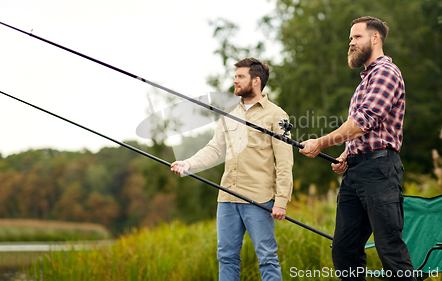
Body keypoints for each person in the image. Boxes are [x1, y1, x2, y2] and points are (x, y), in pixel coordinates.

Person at [299, 16, 415, 280]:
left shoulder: (385, 72)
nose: (351, 43)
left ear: (375, 38)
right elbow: (362, 132)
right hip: (356, 174)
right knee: (344, 250)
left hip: (380, 172)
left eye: (357, 37)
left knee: (390, 251)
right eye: (350, 38)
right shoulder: (365, 80)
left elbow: (363, 122)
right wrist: (345, 154)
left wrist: (320, 143)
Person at [171, 58, 293, 281]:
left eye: (240, 76)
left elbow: (284, 162)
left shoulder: (277, 115)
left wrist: (281, 200)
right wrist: (188, 164)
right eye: (235, 76)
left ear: (255, 81)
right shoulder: (229, 113)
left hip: (259, 198)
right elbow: (215, 149)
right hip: (227, 197)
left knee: (267, 257)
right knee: (226, 257)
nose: (234, 80)